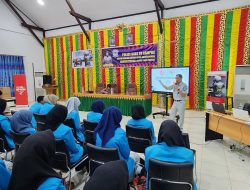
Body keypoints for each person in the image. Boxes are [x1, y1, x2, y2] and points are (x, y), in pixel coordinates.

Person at [145, 120, 196, 190]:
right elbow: (188, 175)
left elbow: (148, 170)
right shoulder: (189, 154)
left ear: (160, 132)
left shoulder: (149, 151)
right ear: (178, 134)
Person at [95, 106, 135, 180]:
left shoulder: (97, 132)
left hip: (101, 167)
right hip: (119, 170)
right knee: (134, 158)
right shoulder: (120, 134)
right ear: (118, 118)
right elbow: (126, 154)